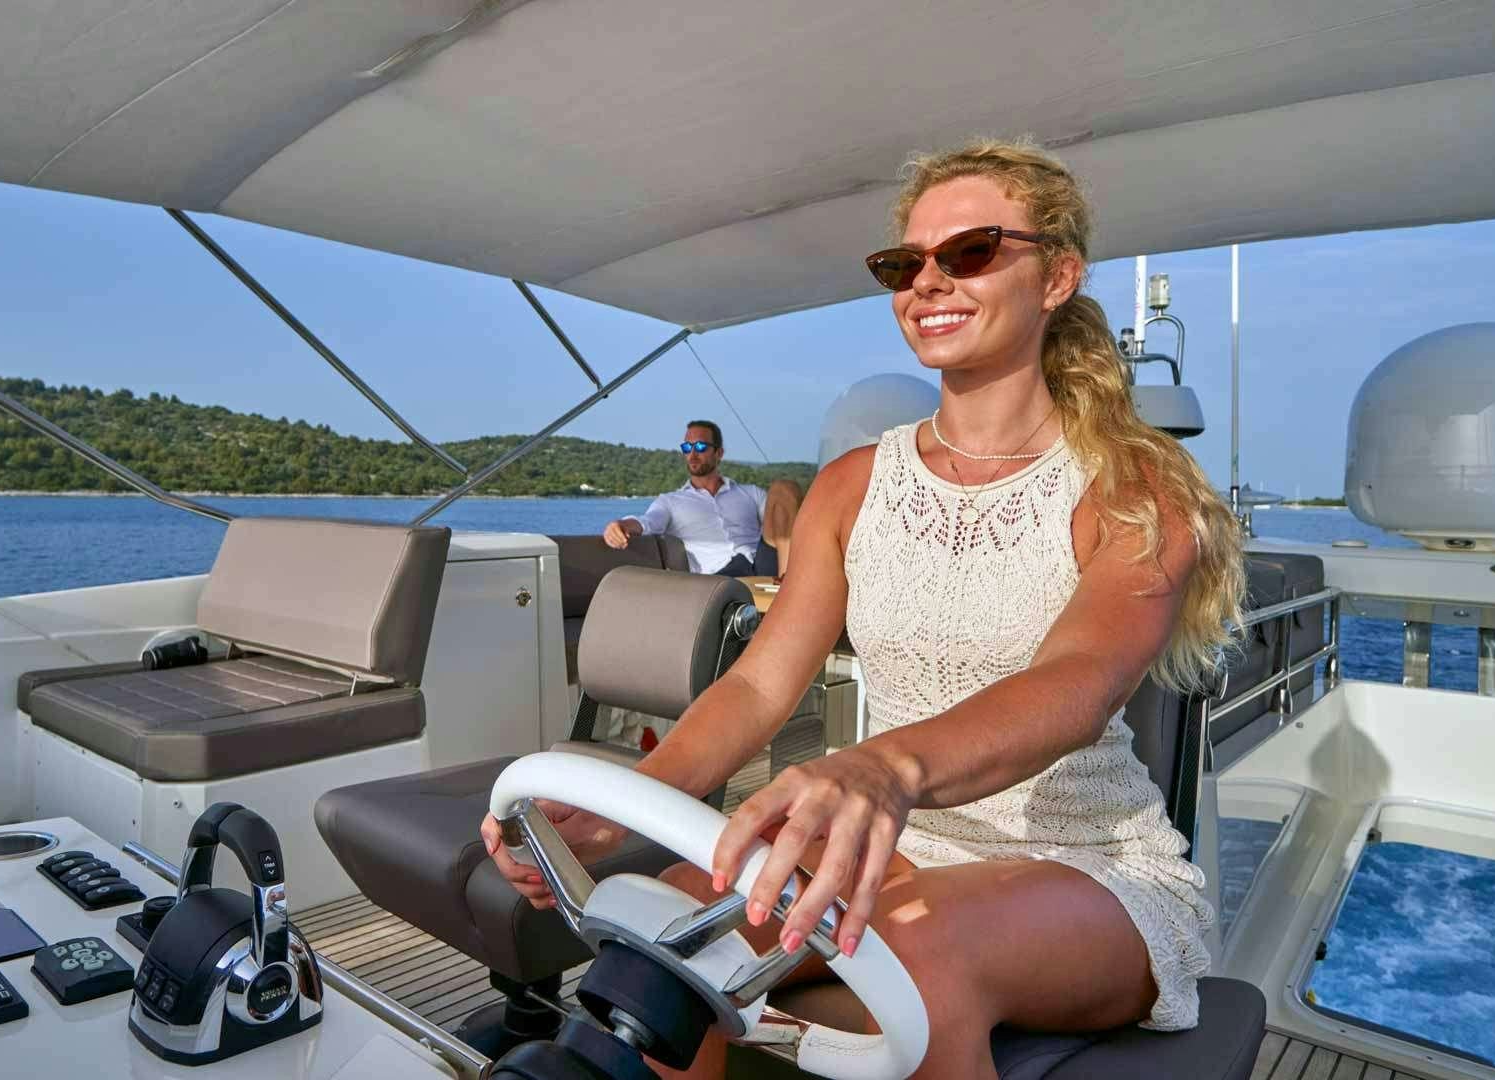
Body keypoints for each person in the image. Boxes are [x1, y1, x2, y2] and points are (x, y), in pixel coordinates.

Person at [484, 137, 1246, 1079]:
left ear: (1057, 276)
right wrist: (622, 812)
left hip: (1089, 866)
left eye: (969, 253)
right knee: (662, 932)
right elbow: (762, 683)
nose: (929, 281)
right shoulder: (851, 486)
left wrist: (884, 767)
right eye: (904, 264)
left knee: (915, 968)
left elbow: (1078, 680)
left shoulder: (1135, 489)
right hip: (881, 847)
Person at [602, 420, 792, 576]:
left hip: (762, 563)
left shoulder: (750, 493)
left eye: (700, 446)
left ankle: (787, 581)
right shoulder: (670, 501)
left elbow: (780, 527)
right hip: (720, 576)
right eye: (687, 447)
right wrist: (622, 525)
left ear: (719, 453)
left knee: (784, 488)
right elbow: (647, 522)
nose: (692, 454)